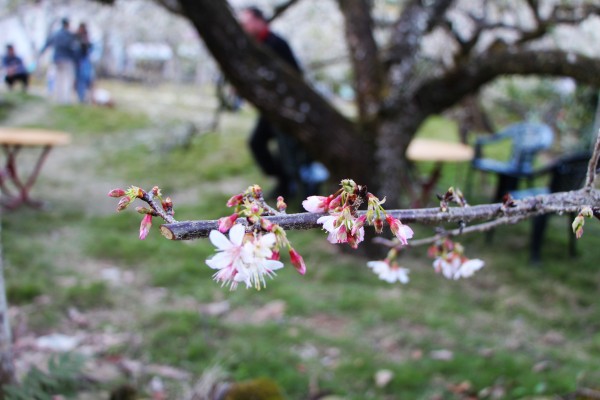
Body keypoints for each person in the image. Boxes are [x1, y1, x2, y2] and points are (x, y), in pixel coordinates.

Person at [239, 6, 311, 199]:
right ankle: (284, 181)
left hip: (285, 111)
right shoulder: (254, 46)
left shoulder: (276, 44)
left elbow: (294, 76)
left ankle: (290, 186)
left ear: (259, 20)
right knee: (257, 143)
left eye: (247, 22)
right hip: (270, 111)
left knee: (286, 150)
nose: (244, 26)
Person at [40, 17, 78, 103]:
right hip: (67, 59)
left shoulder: (55, 34)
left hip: (57, 59)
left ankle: (59, 98)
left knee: (59, 79)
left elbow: (47, 44)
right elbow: (73, 47)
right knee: (68, 79)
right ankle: (66, 99)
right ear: (67, 24)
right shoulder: (69, 35)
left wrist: (41, 53)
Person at [75, 22, 94, 103]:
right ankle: (81, 97)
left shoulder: (86, 37)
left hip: (85, 61)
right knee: (80, 81)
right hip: (79, 61)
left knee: (87, 80)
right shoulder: (77, 37)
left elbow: (90, 48)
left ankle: (87, 97)